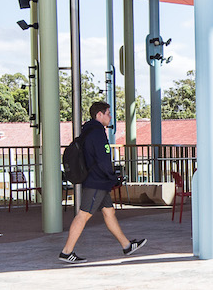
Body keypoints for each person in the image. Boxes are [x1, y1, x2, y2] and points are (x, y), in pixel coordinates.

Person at [58, 101, 147, 264]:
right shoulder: (97, 133)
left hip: (97, 180)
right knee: (83, 215)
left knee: (109, 212)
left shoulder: (88, 131)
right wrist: (112, 176)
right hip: (96, 181)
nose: (110, 116)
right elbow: (103, 159)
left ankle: (126, 246)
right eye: (108, 113)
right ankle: (66, 252)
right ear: (99, 115)